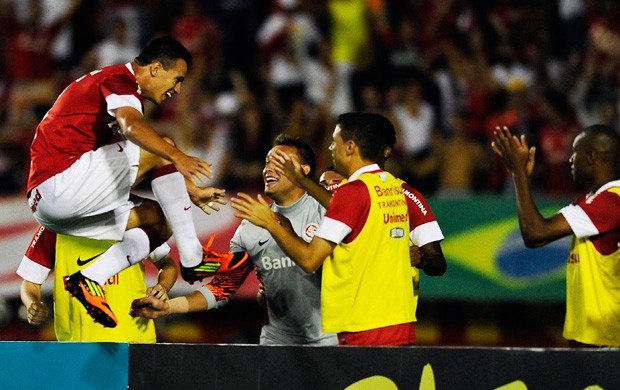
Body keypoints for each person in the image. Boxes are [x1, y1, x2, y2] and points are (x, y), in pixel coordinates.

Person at [25, 36, 226, 328]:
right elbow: (133, 129)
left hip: (57, 206)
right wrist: (178, 155)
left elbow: (128, 165)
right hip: (59, 182)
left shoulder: (108, 93)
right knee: (162, 143)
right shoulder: (120, 81)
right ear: (156, 68)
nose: (178, 89)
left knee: (161, 221)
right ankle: (193, 258)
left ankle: (89, 279)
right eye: (177, 79)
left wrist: (187, 189)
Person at [231, 112, 443, 346]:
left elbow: (310, 259)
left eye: (335, 141)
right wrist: (302, 182)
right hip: (398, 324)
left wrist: (272, 222)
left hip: (359, 329)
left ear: (350, 147)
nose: (331, 147)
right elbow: (346, 207)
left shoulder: (357, 195)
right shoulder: (395, 191)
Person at [131, 134, 338, 345]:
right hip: (277, 343)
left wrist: (272, 224)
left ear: (304, 170)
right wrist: (169, 307)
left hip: (330, 341)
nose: (269, 169)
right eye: (267, 162)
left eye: (280, 162)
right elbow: (223, 288)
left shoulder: (327, 212)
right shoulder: (250, 226)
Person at [491, 124, 620, 347]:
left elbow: (534, 232)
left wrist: (519, 173)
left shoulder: (613, 201)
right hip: (590, 337)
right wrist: (520, 176)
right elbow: (538, 233)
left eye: (574, 152)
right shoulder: (589, 201)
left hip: (607, 340)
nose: (570, 159)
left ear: (590, 157)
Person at [17, 225, 177, 342]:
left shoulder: (134, 220)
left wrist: (163, 286)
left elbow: (167, 263)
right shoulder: (53, 227)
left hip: (135, 342)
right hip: (76, 347)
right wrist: (32, 303)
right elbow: (30, 282)